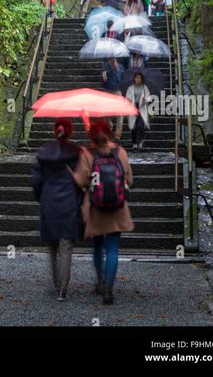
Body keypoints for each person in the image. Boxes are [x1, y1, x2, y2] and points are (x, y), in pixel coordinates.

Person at [73, 121, 134, 304]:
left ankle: (100, 282)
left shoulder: (87, 153)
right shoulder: (121, 152)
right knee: (113, 248)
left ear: (92, 135)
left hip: (96, 207)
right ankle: (109, 288)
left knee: (98, 246)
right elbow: (129, 180)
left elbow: (81, 181)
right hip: (117, 207)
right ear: (110, 132)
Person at [31, 119, 83, 301]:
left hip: (49, 202)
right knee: (66, 246)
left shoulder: (45, 153)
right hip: (69, 202)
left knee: (52, 246)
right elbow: (83, 179)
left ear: (55, 132)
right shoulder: (76, 153)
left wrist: (40, 197)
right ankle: (63, 289)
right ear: (70, 132)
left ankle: (55, 283)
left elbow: (36, 180)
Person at [125, 72, 152, 149]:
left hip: (141, 107)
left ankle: (143, 139)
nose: (138, 79)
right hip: (133, 107)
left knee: (140, 125)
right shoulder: (130, 88)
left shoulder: (144, 87)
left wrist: (145, 100)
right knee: (133, 127)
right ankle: (134, 145)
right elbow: (127, 97)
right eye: (136, 77)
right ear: (134, 78)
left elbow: (149, 97)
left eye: (139, 78)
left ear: (142, 79)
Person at [101, 57, 124, 139]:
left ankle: (118, 133)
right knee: (105, 112)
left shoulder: (121, 66)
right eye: (111, 59)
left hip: (117, 90)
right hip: (108, 90)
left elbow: (122, 77)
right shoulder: (105, 66)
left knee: (120, 113)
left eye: (114, 58)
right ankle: (109, 128)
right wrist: (110, 71)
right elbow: (104, 79)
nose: (112, 60)